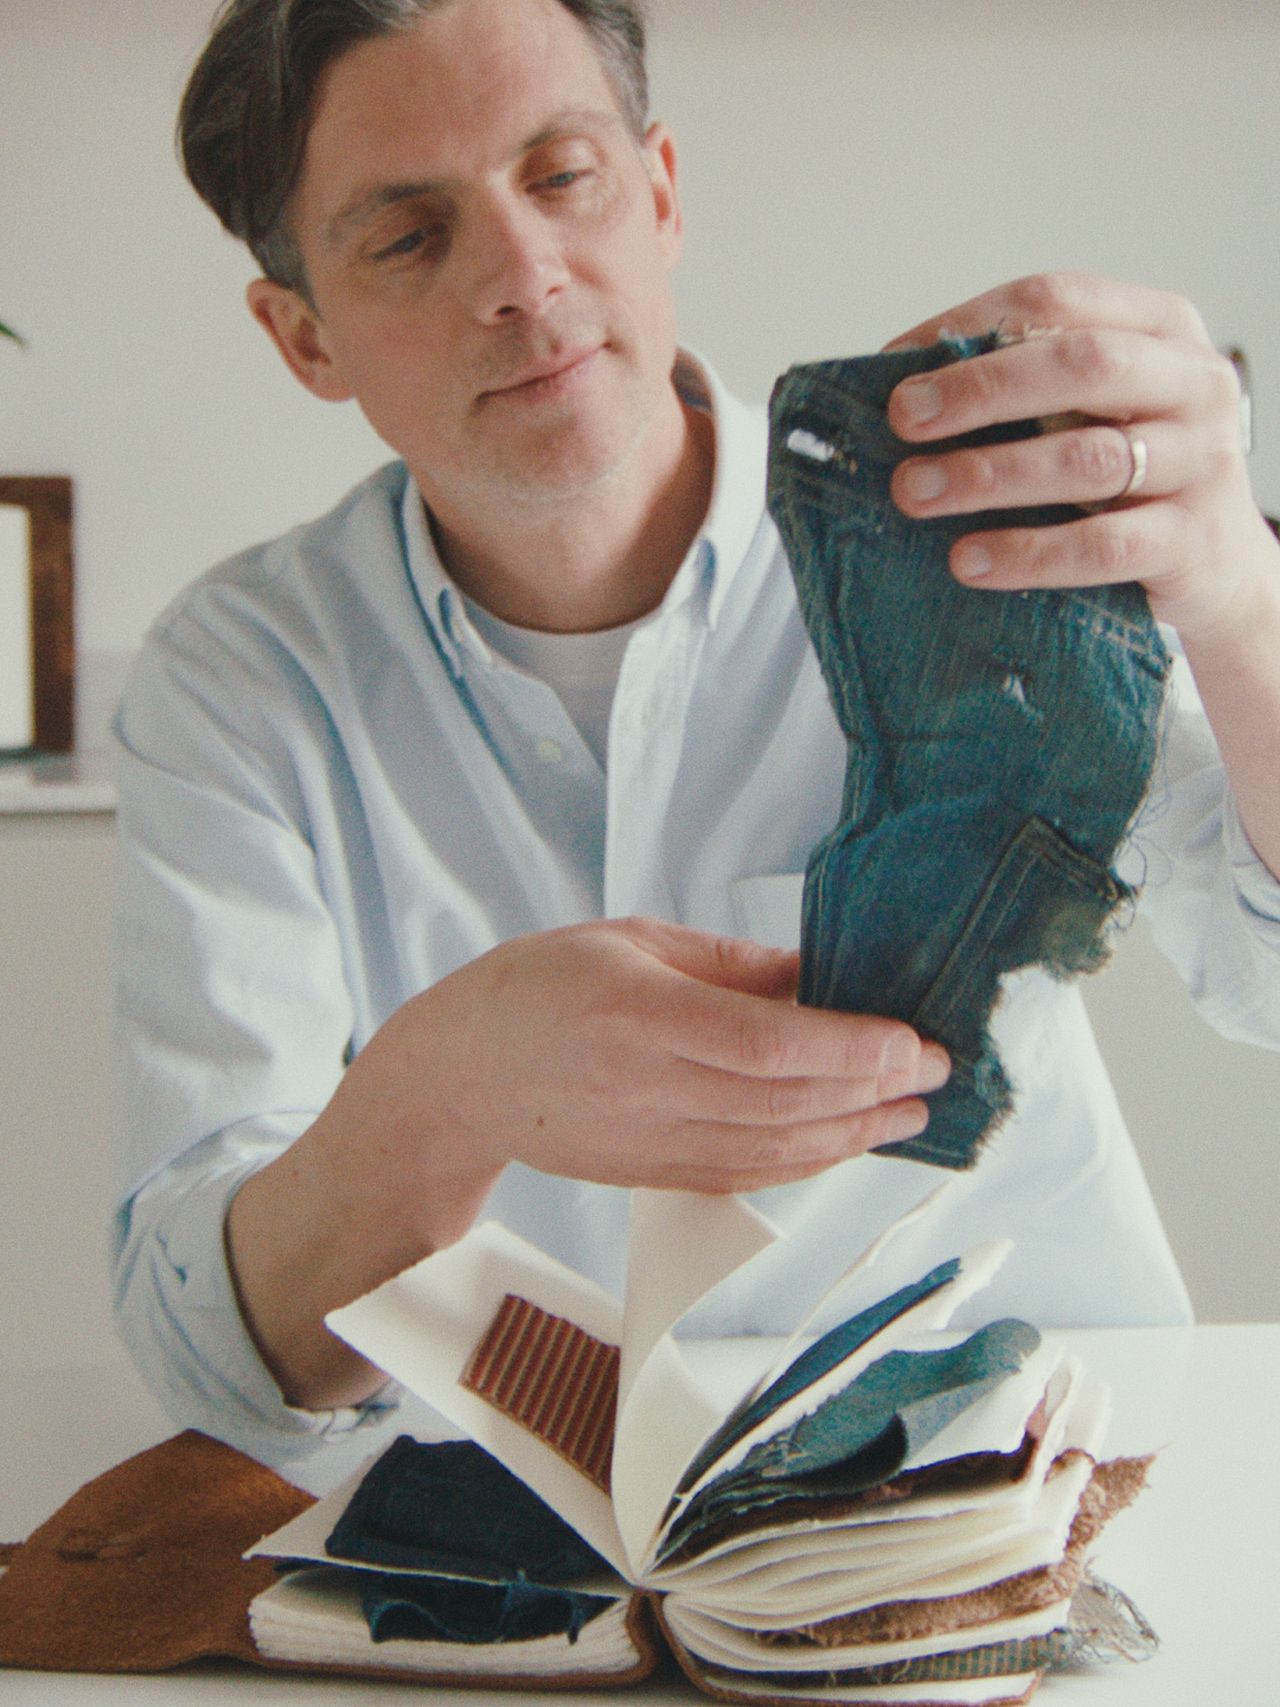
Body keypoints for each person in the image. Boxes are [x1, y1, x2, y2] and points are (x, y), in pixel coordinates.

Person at [111, 0, 1280, 1473]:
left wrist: (1247, 606)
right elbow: (220, 1354)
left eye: (562, 177)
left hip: (1021, 1486)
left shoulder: (982, 536)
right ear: (303, 338)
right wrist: (447, 1084)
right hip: (522, 1582)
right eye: (409, 237)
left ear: (661, 190)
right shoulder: (236, 680)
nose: (524, 278)